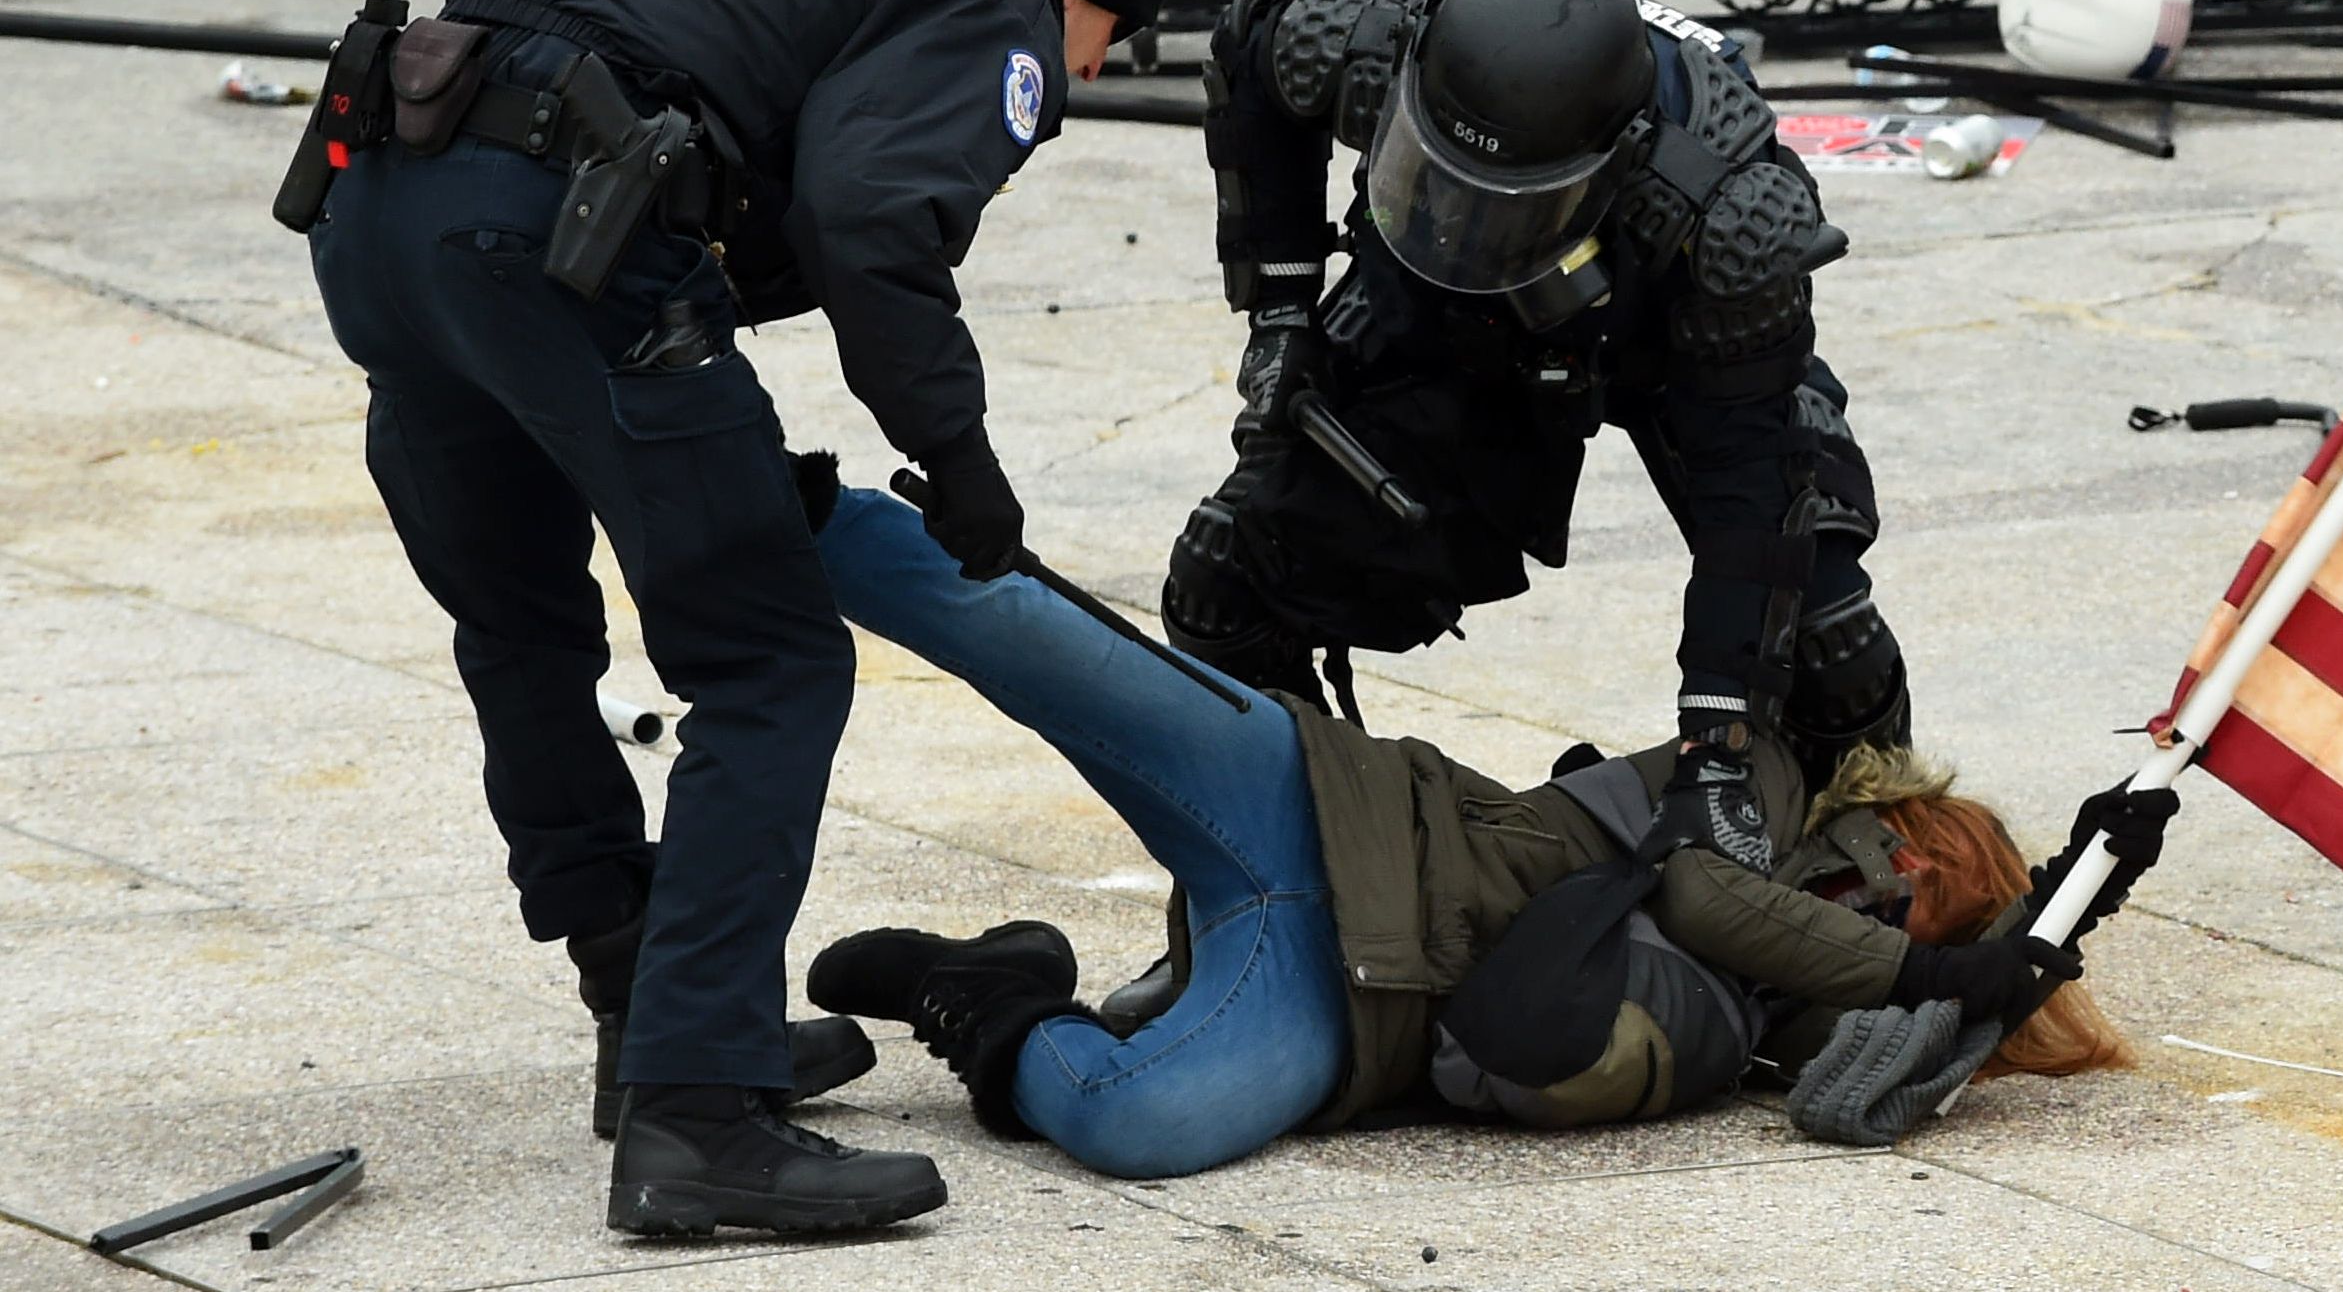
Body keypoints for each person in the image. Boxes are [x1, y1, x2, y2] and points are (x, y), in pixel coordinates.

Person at [295, 0, 1180, 1230]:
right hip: (556, 226)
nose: (1089, 75)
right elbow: (870, 210)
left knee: (520, 630)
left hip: (388, 213)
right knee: (768, 662)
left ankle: (648, 1003)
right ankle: (699, 1115)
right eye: (1108, 44)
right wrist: (957, 455)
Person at [787, 477, 2135, 1175]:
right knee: (1029, 640)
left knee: (1137, 1129)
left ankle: (986, 997)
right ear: (1903, 842)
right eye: (1920, 886)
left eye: (1925, 919)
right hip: (1334, 814)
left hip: (1349, 1007)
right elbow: (1708, 898)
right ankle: (766, 493)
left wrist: (2031, 943)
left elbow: (1858, 1077)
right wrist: (1934, 965)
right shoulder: (1761, 774)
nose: (1901, 904)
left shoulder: (1765, 1028)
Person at [1161, 0, 1914, 879]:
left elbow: (1748, 485)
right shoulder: (1371, 34)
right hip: (1435, 300)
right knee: (1222, 583)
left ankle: (1870, 902)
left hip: (1674, 335)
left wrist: (1716, 739)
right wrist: (1279, 308)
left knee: (1830, 645)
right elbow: (1253, 60)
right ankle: (1283, 894)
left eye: (1505, 203)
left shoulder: (1728, 212)